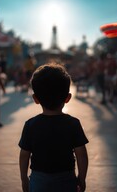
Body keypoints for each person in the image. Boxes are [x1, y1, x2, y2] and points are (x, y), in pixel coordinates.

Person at [19, 63, 89, 192]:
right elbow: (81, 154)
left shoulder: (30, 125)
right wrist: (82, 178)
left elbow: (24, 155)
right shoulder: (73, 123)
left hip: (38, 180)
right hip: (66, 179)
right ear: (67, 98)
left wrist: (24, 179)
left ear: (35, 99)